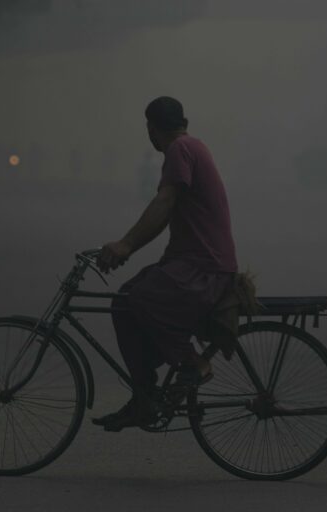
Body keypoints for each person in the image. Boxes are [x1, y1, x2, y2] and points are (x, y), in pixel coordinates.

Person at [93, 96, 238, 432]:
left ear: (152, 129)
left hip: (205, 268)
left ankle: (194, 363)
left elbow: (165, 201)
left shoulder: (179, 149)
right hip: (194, 264)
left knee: (141, 298)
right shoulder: (192, 147)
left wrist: (126, 244)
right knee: (124, 305)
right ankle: (144, 397)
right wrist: (127, 247)